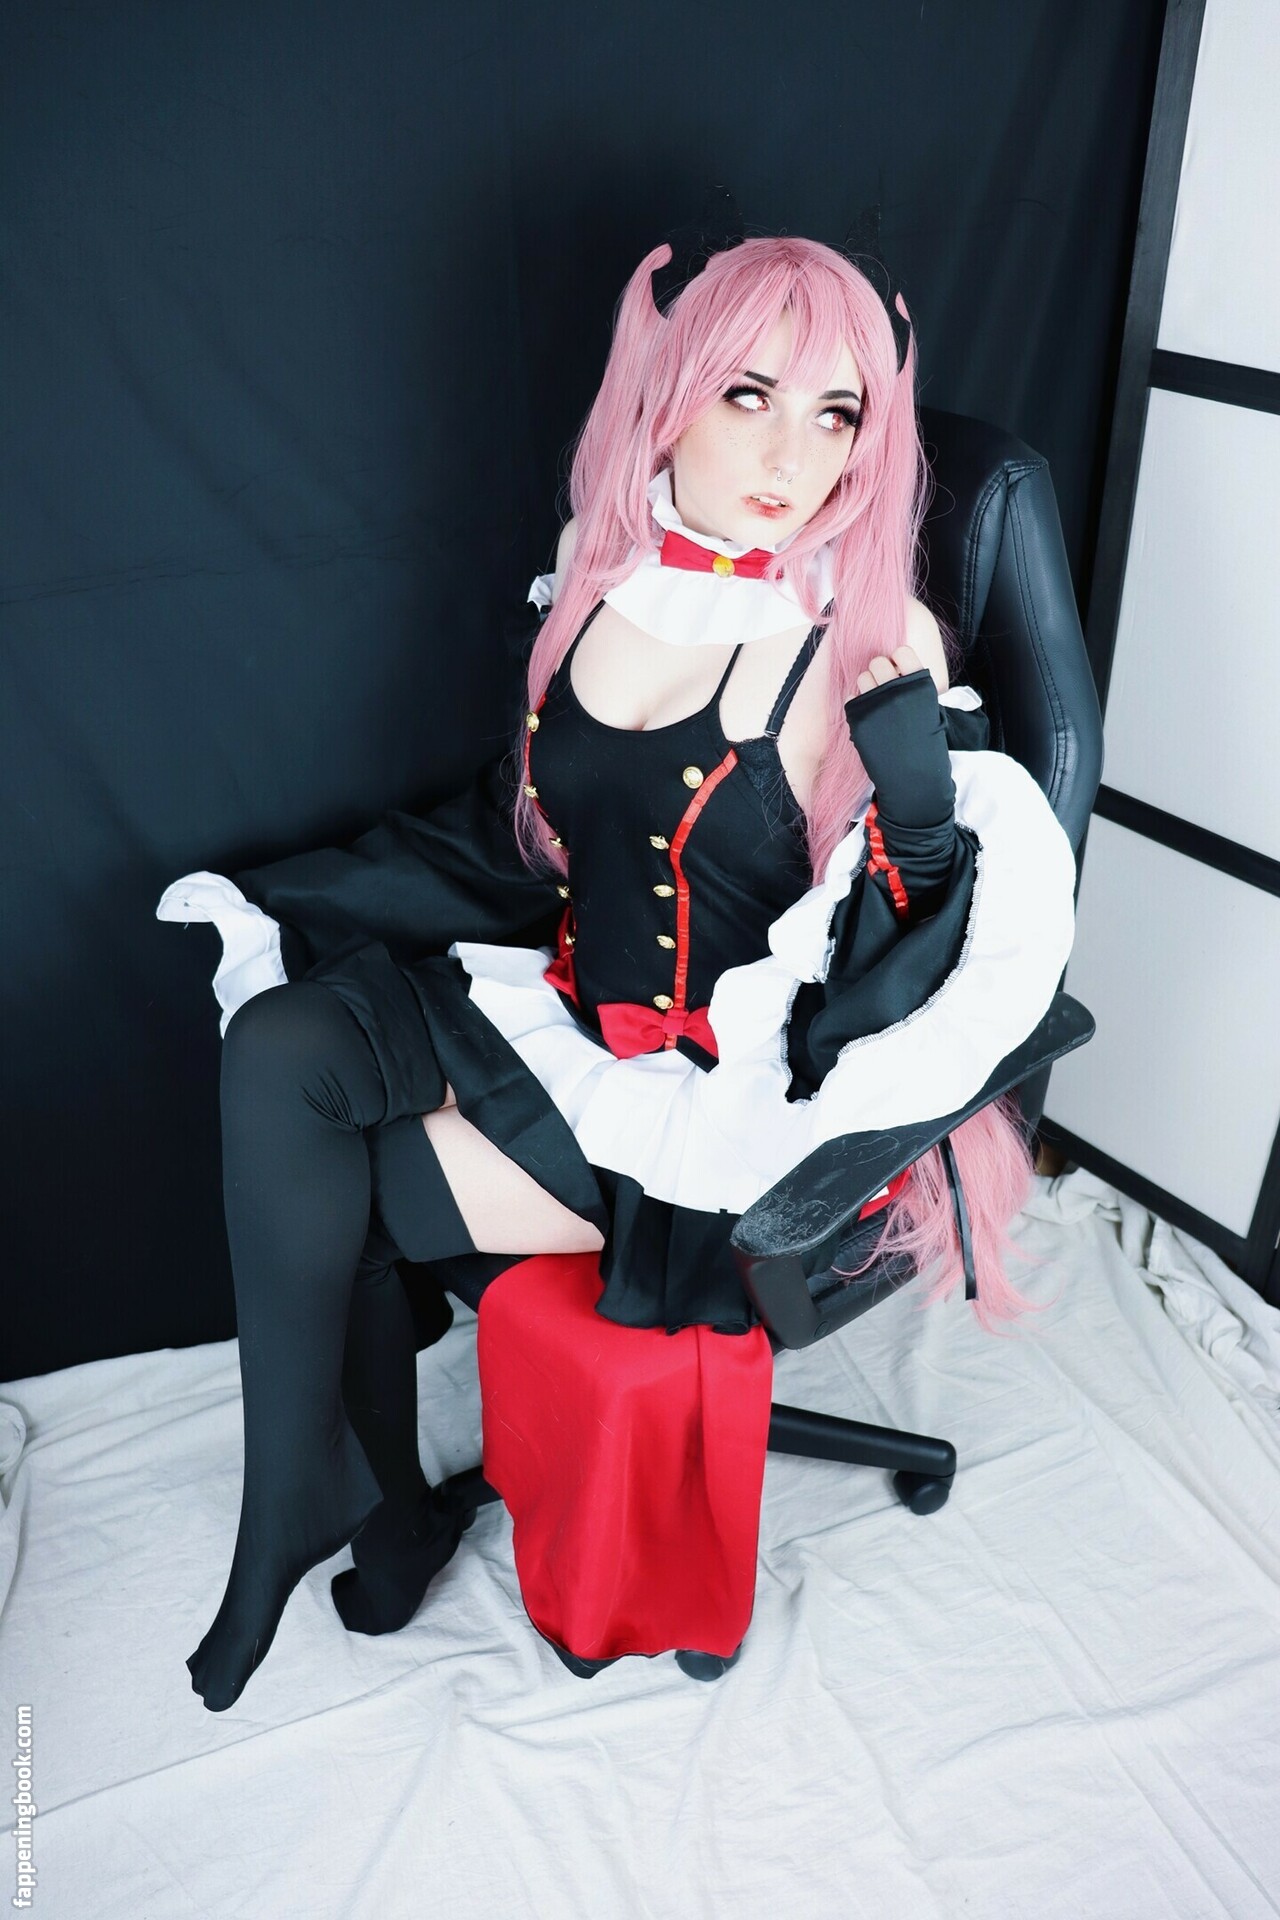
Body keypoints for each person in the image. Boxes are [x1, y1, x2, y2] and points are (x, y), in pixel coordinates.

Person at [157, 225, 1077, 1711]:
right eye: (750, 396)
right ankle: (306, 1505)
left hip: (710, 1111)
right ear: (676, 392)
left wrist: (917, 800)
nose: (789, 457)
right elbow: (528, 835)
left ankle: (367, 1516)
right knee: (284, 1055)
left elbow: (915, 955)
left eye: (835, 414)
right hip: (571, 1019)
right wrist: (297, 896)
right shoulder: (612, 576)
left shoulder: (865, 636)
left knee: (343, 1190)